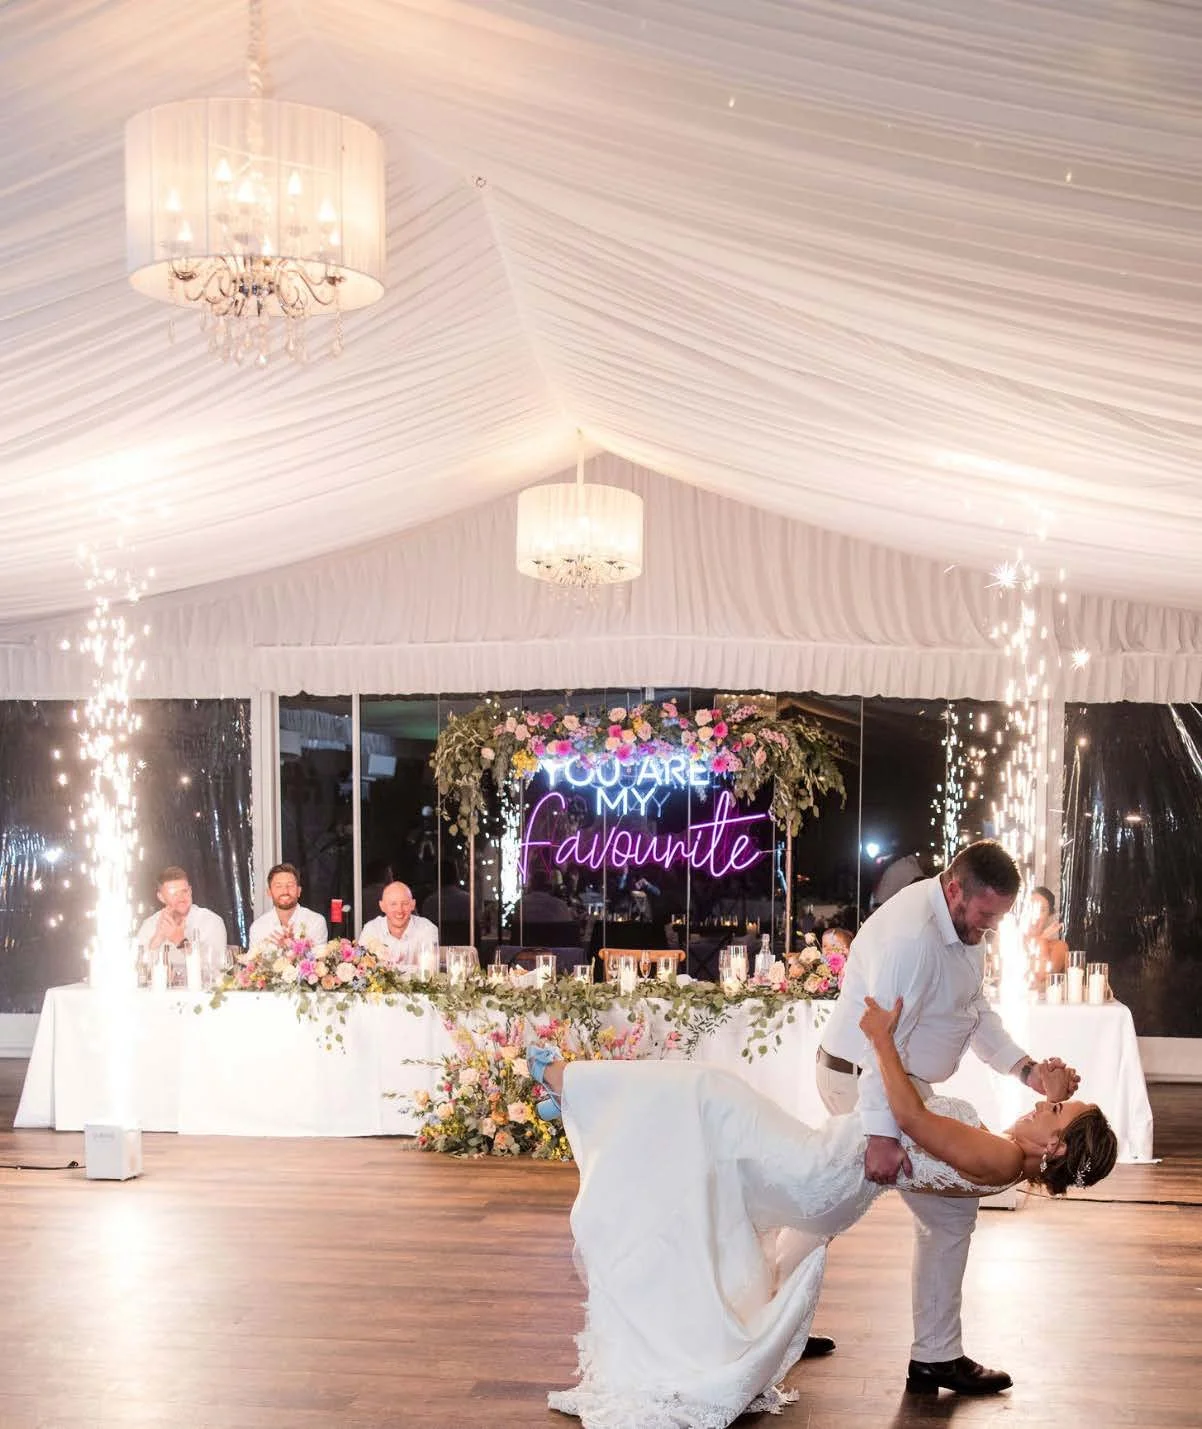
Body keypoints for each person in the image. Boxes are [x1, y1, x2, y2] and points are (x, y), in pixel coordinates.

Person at [530, 999, 1114, 1429]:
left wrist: (881, 1038)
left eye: (1055, 1111)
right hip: (828, 1167)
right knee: (702, 1120)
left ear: (1056, 1148)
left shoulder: (1001, 1155)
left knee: (704, 1093)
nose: (1043, 1106)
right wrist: (1042, 1077)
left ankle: (570, 1085)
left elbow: (910, 1117)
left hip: (817, 1168)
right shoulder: (1009, 1157)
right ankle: (581, 1101)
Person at [815, 839, 1079, 1395]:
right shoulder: (910, 938)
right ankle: (779, 1322)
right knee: (826, 1203)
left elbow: (974, 1010)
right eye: (985, 915)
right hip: (861, 1079)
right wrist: (882, 1136)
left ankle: (933, 1357)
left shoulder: (964, 929)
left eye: (998, 918)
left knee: (933, 1217)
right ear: (953, 889)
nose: (989, 928)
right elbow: (874, 1042)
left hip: (905, 1083)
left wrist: (1026, 1069)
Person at [136, 866, 227, 968]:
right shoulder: (150, 924)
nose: (181, 899)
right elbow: (137, 970)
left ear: (190, 891)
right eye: (174, 894)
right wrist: (157, 939)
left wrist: (180, 941)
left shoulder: (212, 921)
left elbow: (217, 969)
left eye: (184, 891)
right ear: (161, 897)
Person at [247, 863, 328, 949]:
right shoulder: (258, 927)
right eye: (278, 886)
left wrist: (293, 948)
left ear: (299, 891)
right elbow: (253, 961)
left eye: (290, 885)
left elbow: (320, 961)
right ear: (269, 892)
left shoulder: (316, 922)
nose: (285, 891)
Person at [358, 880, 438, 965]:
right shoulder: (371, 929)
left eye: (405, 903)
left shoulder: (427, 928)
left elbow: (429, 970)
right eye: (393, 904)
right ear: (382, 906)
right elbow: (363, 969)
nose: (399, 910)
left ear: (413, 904)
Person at [1025, 884, 1069, 988]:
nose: (1035, 914)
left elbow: (1040, 978)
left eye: (1042, 910)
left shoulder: (1059, 947)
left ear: (1049, 915)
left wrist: (1042, 940)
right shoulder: (1010, 941)